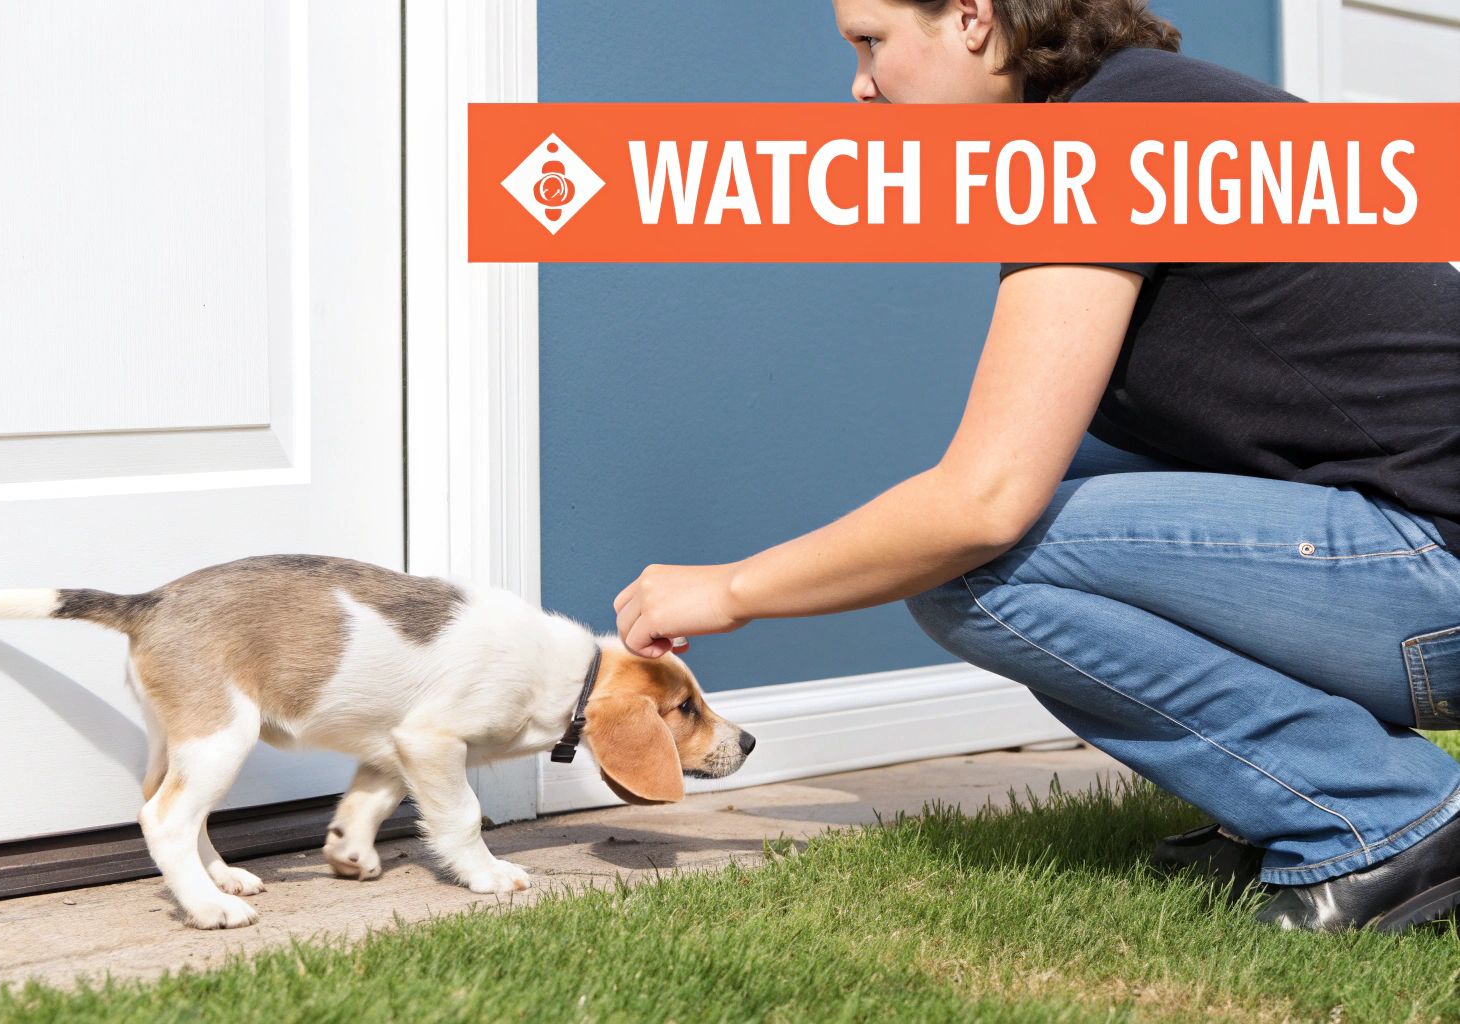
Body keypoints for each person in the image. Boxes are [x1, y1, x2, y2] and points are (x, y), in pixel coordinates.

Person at [610, 0, 1460, 934]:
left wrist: (731, 590)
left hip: (1436, 579)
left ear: (973, 18)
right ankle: (1291, 790)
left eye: (871, 43)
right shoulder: (1138, 107)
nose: (860, 86)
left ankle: (1387, 815)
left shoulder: (1107, 136)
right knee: (1070, 474)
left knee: (971, 567)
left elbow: (981, 504)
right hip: (1418, 560)